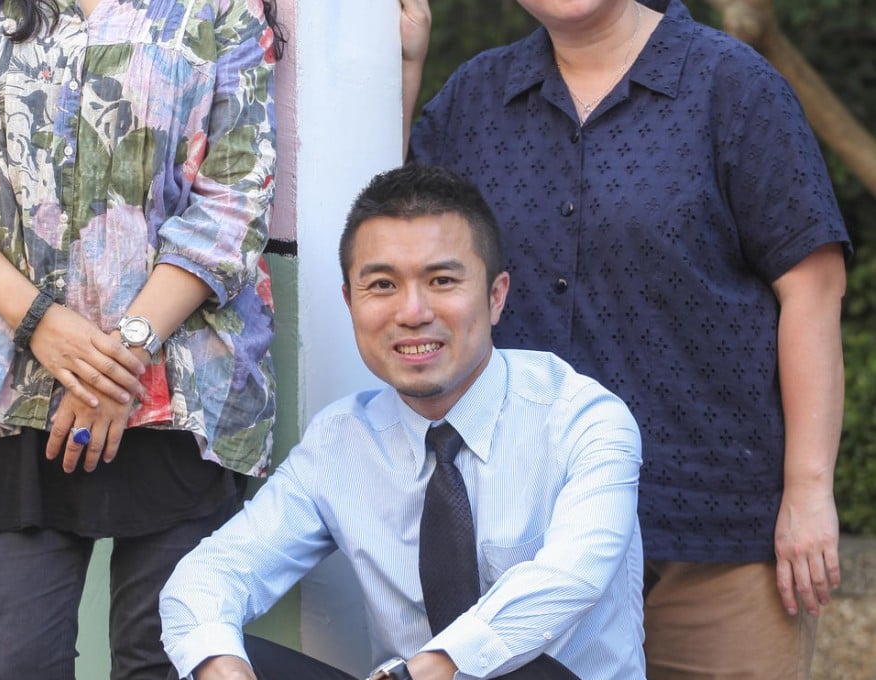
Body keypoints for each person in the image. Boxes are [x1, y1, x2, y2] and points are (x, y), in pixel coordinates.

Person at [400, 0, 852, 677]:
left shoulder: (733, 87)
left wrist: (809, 489)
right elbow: (387, 248)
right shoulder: (474, 98)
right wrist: (406, 68)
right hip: (526, 545)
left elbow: (812, 290)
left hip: (707, 538)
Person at [0, 0, 283, 677]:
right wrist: (40, 322)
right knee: (16, 662)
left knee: (164, 660)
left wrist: (124, 354)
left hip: (181, 388)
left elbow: (238, 189)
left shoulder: (221, 5)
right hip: (9, 384)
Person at [160, 164, 645, 680]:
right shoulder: (341, 440)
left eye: (442, 280)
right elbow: (206, 577)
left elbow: (571, 576)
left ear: (496, 295)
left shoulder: (583, 418)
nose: (412, 312)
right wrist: (222, 667)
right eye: (383, 284)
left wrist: (426, 669)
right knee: (202, 664)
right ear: (350, 301)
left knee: (535, 674)